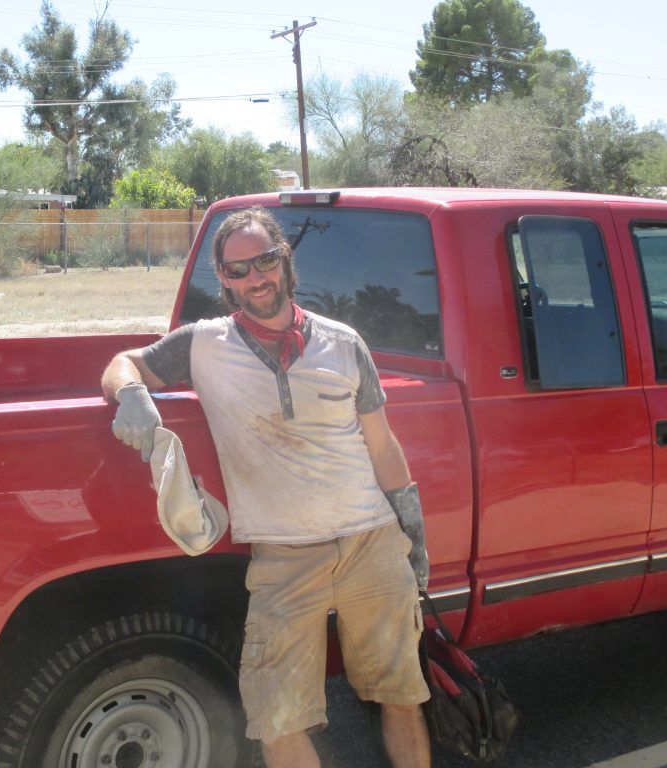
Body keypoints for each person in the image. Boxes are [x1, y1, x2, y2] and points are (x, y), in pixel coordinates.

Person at [101, 206, 431, 768]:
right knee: (276, 720)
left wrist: (412, 531)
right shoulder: (203, 343)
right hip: (283, 557)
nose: (255, 277)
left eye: (265, 261)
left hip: (371, 541)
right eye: (238, 270)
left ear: (285, 260)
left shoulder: (344, 342)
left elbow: (382, 446)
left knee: (401, 695)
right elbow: (123, 362)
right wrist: (130, 394)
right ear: (224, 280)